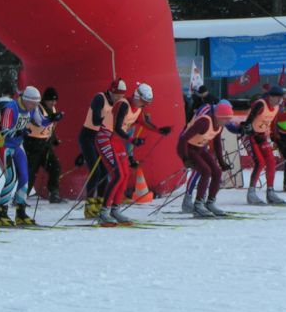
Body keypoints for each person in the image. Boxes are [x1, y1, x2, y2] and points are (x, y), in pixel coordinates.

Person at [95, 83, 172, 226]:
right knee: (118, 175)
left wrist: (161, 130)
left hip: (117, 140)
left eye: (148, 102)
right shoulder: (123, 105)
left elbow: (144, 123)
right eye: (145, 101)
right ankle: (104, 212)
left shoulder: (139, 108)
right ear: (138, 96)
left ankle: (115, 210)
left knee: (125, 175)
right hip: (105, 138)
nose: (146, 105)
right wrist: (132, 140)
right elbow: (117, 128)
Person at [0, 86, 62, 226]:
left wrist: (53, 118)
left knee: (25, 178)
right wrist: (18, 132)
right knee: (11, 178)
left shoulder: (32, 108)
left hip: (18, 146)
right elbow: (3, 131)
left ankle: (20, 213)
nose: (34, 107)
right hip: (6, 147)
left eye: (36, 104)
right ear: (26, 100)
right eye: (33, 104)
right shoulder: (11, 108)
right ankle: (1, 213)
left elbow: (41, 122)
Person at [78, 79, 127, 218]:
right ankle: (89, 205)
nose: (119, 98)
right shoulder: (99, 98)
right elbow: (95, 120)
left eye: (122, 95)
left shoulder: (118, 103)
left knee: (105, 171)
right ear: (111, 91)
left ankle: (99, 203)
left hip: (103, 139)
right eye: (117, 94)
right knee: (96, 171)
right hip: (89, 137)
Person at [177, 100, 234, 217]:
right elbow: (183, 138)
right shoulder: (204, 122)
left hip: (200, 148)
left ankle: (210, 203)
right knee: (206, 171)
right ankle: (198, 205)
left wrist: (222, 162)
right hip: (188, 148)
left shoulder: (219, 125)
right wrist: (185, 158)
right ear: (219, 116)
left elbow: (217, 144)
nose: (228, 121)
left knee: (217, 172)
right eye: (226, 119)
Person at [240, 84, 285, 205]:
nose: (279, 100)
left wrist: (274, 136)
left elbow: (271, 123)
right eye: (277, 98)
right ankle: (251, 193)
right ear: (270, 97)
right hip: (250, 136)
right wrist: (251, 131)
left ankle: (270, 192)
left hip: (261, 136)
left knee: (271, 161)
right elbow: (248, 122)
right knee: (260, 163)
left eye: (281, 98)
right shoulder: (261, 104)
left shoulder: (276, 108)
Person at [24, 86, 64, 203]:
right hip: (32, 143)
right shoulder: (37, 108)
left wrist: (54, 139)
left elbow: (50, 128)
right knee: (31, 172)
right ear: (45, 100)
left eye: (55, 100)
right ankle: (22, 196)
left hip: (45, 144)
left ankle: (53, 192)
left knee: (55, 167)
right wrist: (52, 118)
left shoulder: (53, 110)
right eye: (51, 100)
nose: (53, 103)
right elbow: (39, 123)